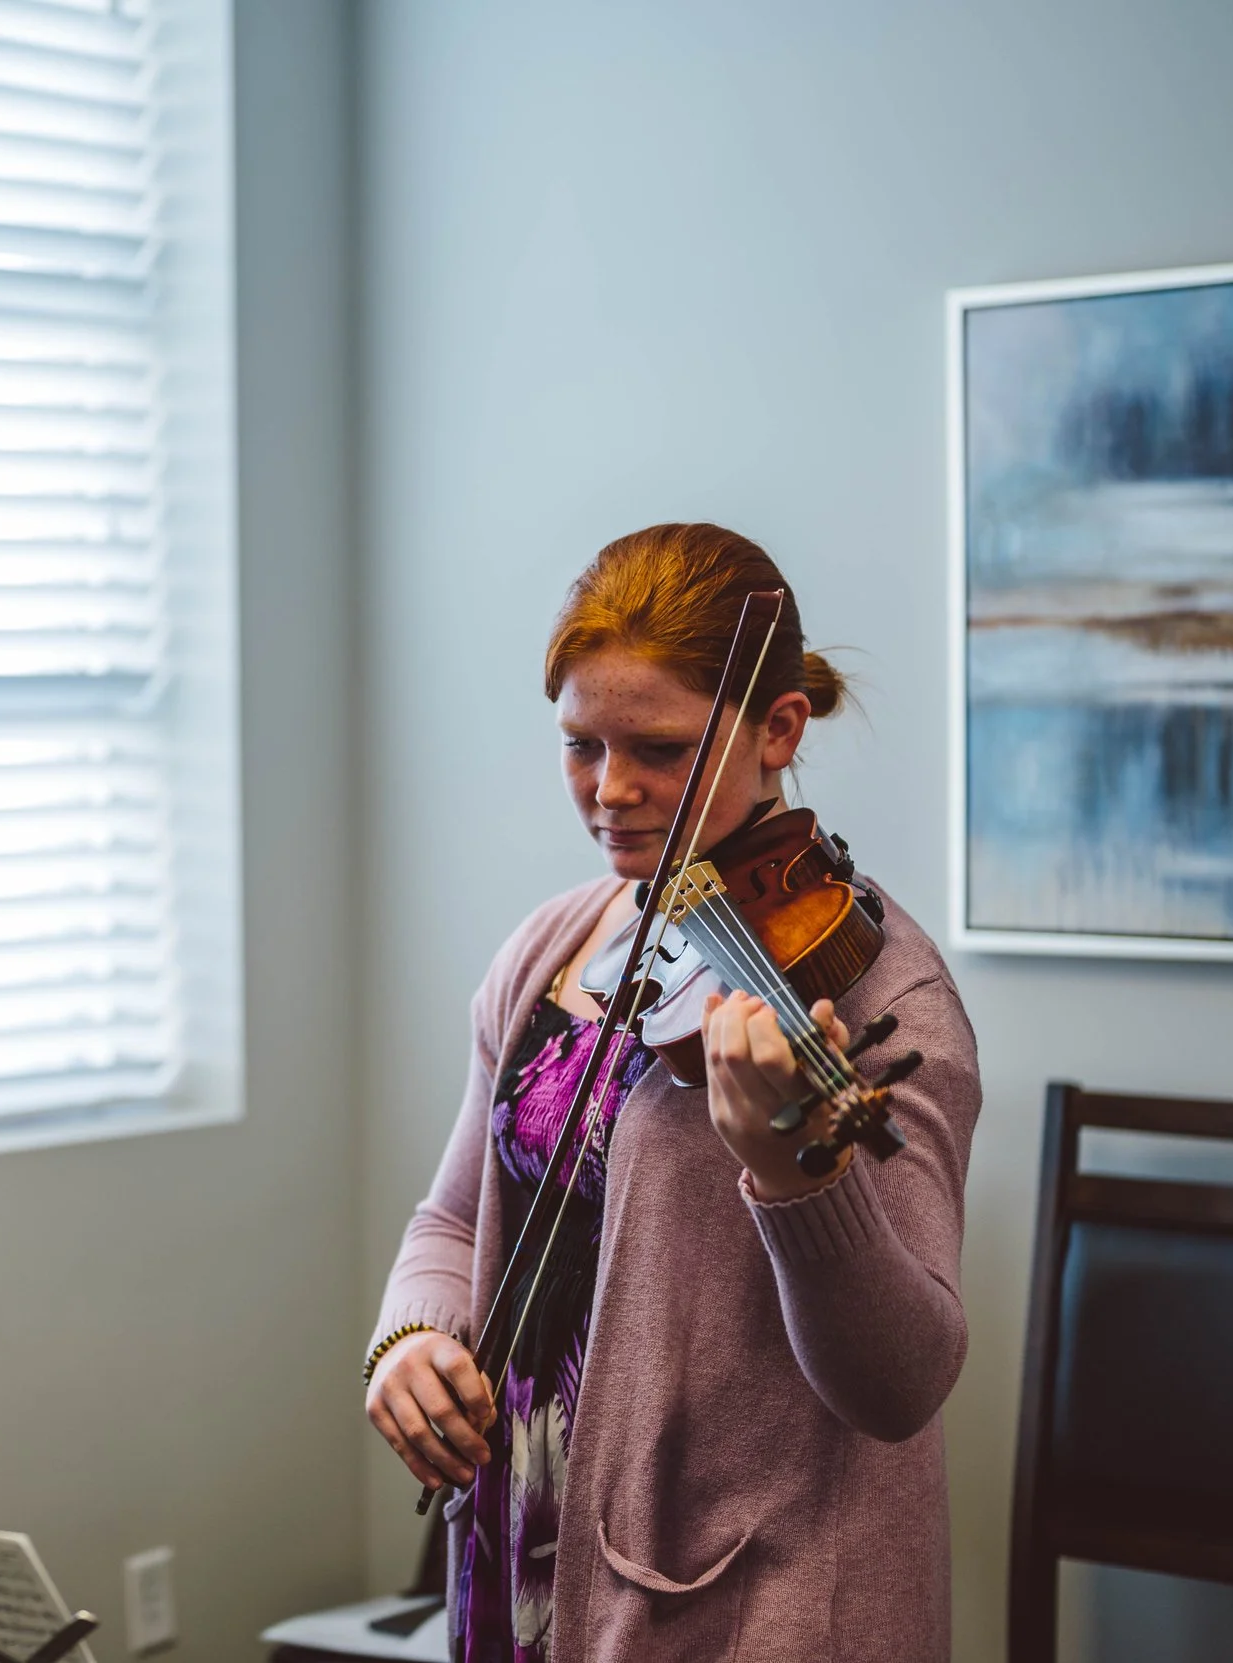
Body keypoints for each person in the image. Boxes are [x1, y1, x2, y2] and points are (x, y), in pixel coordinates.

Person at [364, 524, 980, 1662]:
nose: (612, 791)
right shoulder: (558, 940)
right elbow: (453, 1215)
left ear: (779, 729)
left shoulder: (888, 998)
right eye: (580, 746)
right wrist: (407, 1337)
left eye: (658, 748)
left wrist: (802, 1179)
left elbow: (901, 1383)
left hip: (758, 1606)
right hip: (530, 1562)